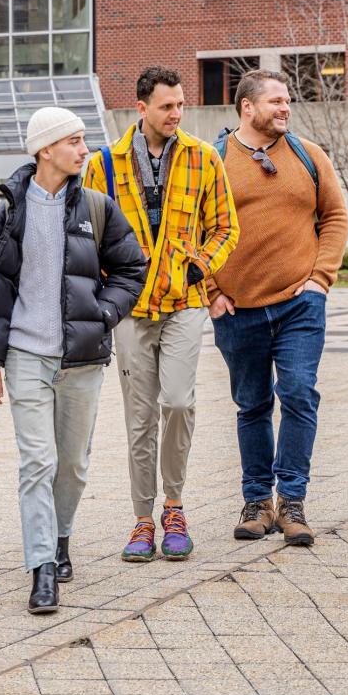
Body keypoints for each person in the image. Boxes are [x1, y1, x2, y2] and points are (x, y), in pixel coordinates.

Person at [0, 107, 146, 613]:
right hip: (26, 356)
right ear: (46, 149)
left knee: (72, 464)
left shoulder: (97, 206)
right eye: (74, 140)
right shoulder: (7, 215)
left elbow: (132, 267)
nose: (83, 149)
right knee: (37, 462)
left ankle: (61, 537)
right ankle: (42, 567)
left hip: (83, 358)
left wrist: (104, 314)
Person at [83, 66, 238, 563]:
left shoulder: (204, 157)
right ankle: (143, 519)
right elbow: (85, 234)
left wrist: (201, 268)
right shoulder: (103, 164)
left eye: (180, 105)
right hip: (128, 308)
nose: (176, 114)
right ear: (141, 108)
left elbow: (226, 227)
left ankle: (175, 505)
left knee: (176, 403)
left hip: (184, 303)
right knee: (139, 417)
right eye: (167, 106)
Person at [207, 70, 348, 547]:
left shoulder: (310, 156)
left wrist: (319, 279)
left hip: (299, 304)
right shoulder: (216, 159)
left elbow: (335, 216)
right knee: (252, 406)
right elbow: (192, 230)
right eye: (275, 101)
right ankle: (256, 502)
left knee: (299, 392)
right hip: (237, 308)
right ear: (247, 107)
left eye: (288, 100)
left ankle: (291, 501)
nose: (285, 108)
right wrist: (211, 290)